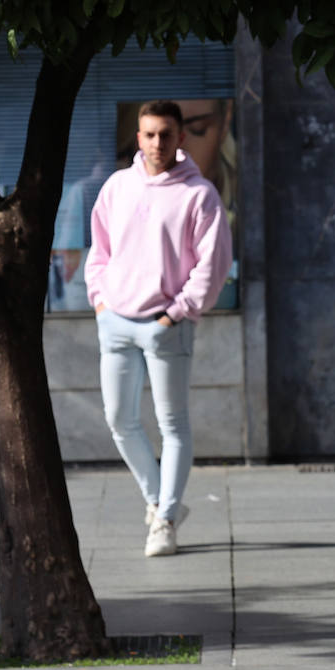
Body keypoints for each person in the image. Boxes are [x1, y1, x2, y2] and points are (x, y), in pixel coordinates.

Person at [85, 99, 232, 557]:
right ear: (138, 137)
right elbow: (99, 250)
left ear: (180, 138)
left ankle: (165, 520)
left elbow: (213, 264)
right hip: (115, 322)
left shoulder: (198, 194)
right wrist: (101, 302)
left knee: (173, 425)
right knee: (118, 420)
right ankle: (159, 501)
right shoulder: (117, 187)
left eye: (166, 134)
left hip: (166, 325)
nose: (157, 143)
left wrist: (178, 312)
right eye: (149, 134)